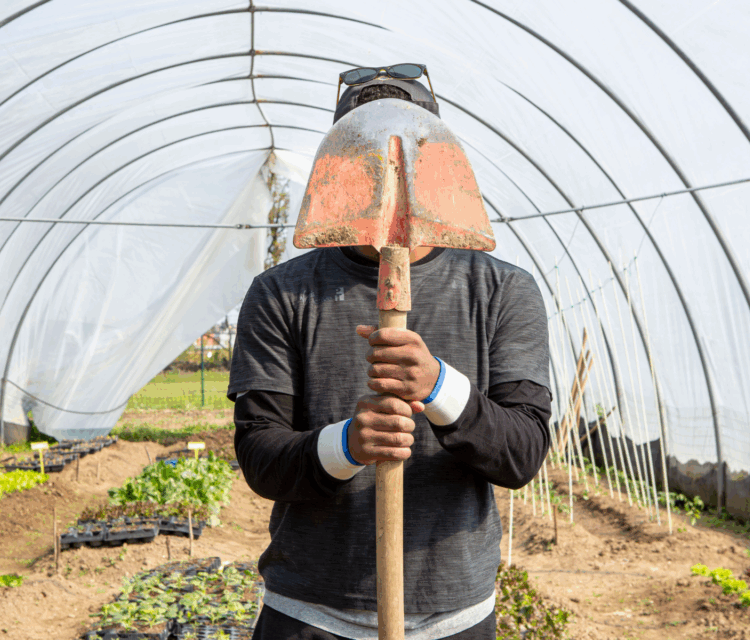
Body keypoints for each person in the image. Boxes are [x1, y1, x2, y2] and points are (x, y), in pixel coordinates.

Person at [228, 69, 553, 640]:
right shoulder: (282, 293)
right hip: (309, 614)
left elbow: (521, 455)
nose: (386, 167)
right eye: (364, 148)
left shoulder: (503, 291)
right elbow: (260, 454)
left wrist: (439, 387)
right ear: (339, 161)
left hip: (454, 618)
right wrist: (347, 444)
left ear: (436, 160)